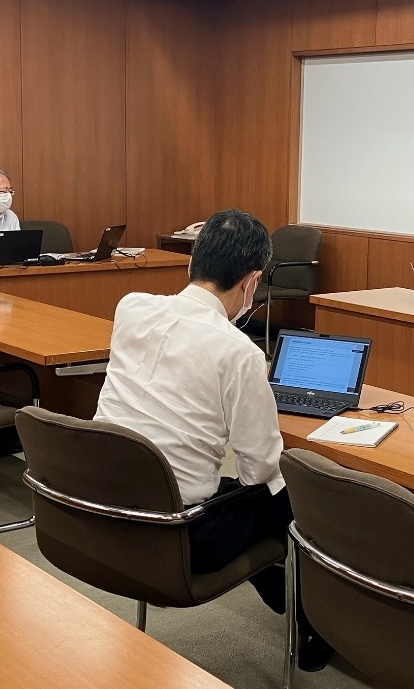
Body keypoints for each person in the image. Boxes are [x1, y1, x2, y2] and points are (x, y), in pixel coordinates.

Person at [94, 209, 332, 671]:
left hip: (98, 507)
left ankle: (297, 607)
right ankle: (313, 625)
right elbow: (260, 469)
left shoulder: (131, 307)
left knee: (243, 494)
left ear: (191, 263)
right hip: (177, 533)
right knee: (286, 497)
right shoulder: (239, 352)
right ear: (252, 281)